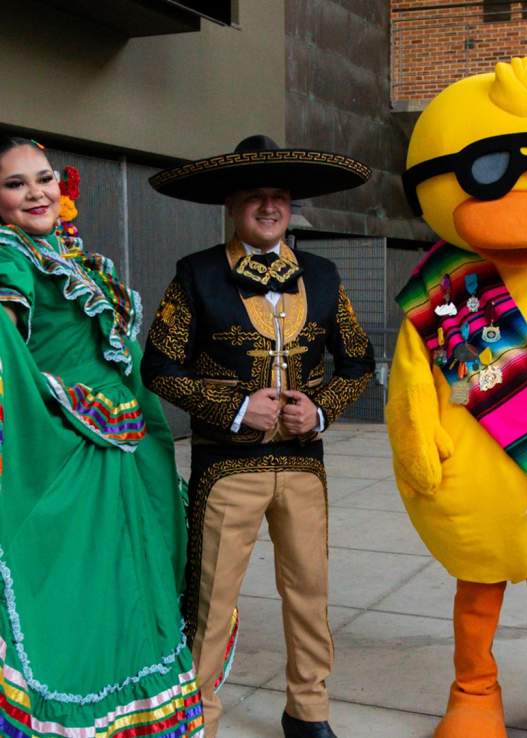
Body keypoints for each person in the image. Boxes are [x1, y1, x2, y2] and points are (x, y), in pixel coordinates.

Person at [141, 134, 375, 738]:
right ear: (231, 205)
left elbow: (359, 363)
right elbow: (160, 368)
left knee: (309, 594)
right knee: (211, 601)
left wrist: (318, 412)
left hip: (304, 465)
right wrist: (236, 407)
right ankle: (198, 718)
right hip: (227, 468)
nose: (269, 207)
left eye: (279, 197)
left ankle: (308, 710)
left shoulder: (322, 275)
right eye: (254, 197)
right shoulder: (194, 274)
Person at [0, 136, 202, 736]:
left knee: (127, 594)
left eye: (43, 178)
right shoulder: (10, 256)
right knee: (75, 601)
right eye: (15, 184)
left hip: (121, 456)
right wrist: (45, 431)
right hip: (68, 452)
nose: (36, 192)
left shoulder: (64, 252)